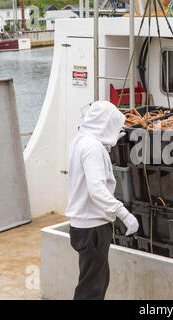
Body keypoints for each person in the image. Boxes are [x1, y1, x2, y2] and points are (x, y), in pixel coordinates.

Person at [65, 101, 139, 300]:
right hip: (93, 228)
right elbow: (97, 189)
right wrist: (123, 213)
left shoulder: (80, 140)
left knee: (97, 280)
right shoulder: (93, 149)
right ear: (106, 124)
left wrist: (107, 145)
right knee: (91, 288)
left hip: (81, 224)